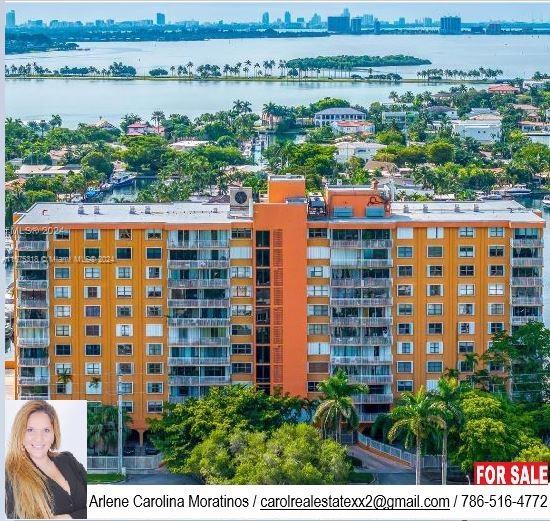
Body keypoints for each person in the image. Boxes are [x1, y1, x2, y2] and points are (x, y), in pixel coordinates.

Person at [5, 400, 87, 519]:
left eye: (46, 430)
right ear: (20, 434)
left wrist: (69, 517)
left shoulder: (68, 460)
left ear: (54, 434)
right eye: (30, 430)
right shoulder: (11, 475)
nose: (39, 438)